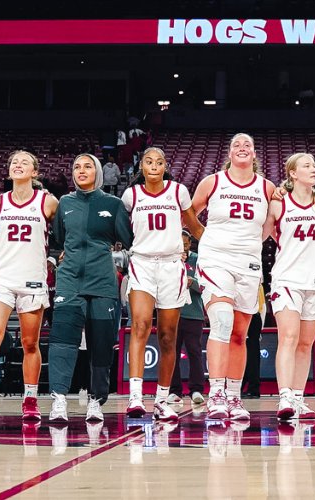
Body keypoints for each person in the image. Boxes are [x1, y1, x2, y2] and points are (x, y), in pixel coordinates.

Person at [187, 133, 275, 422]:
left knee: (240, 334)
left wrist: (253, 242)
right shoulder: (213, 182)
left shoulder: (267, 187)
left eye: (247, 144)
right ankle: (216, 394)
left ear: (255, 153)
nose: (242, 148)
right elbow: (189, 212)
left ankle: (234, 397)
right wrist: (203, 235)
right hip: (216, 259)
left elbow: (272, 223)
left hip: (248, 262)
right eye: (236, 144)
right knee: (222, 322)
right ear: (229, 153)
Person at [0, 151, 56, 421]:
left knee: (30, 343)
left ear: (35, 172)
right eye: (14, 162)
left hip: (32, 278)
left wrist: (54, 259)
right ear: (8, 171)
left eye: (24, 162)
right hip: (1, 276)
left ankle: (30, 399)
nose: (18, 165)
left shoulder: (48, 201)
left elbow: (66, 234)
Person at [47, 153, 132, 422]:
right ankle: (59, 399)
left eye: (87, 166)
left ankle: (96, 401)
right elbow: (59, 238)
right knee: (62, 341)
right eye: (76, 167)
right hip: (69, 280)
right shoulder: (65, 203)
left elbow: (127, 238)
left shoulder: (113, 204)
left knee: (102, 345)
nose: (81, 171)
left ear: (97, 172)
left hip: (103, 282)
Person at [120, 147, 197, 420]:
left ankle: (162, 401)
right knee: (140, 325)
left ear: (165, 167)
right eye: (149, 161)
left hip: (171, 265)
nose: (154, 165)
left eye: (159, 162)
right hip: (142, 263)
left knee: (167, 336)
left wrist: (218, 247)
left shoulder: (178, 191)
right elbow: (120, 228)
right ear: (141, 166)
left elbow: (195, 226)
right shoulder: (131, 195)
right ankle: (135, 397)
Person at [269, 152, 315, 420]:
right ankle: (284, 397)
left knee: (306, 343)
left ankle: (298, 398)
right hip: (287, 277)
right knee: (288, 337)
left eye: (313, 165)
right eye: (306, 165)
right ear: (293, 173)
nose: (313, 169)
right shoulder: (278, 203)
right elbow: (265, 233)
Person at [175, 231, 208, 403]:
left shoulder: (198, 259)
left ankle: (196, 389)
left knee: (195, 352)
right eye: (180, 244)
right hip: (173, 313)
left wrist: (192, 282)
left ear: (190, 244)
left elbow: (205, 284)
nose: (184, 247)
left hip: (194, 313)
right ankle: (174, 390)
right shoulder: (169, 259)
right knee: (171, 352)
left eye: (186, 244)